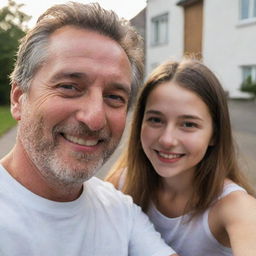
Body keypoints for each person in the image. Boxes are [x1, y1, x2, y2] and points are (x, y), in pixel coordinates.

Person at [0, 2, 178, 255]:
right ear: (18, 99)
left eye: (115, 97)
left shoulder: (120, 210)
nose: (94, 119)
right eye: (69, 87)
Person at [106, 58, 256, 255]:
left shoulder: (237, 207)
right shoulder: (123, 183)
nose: (167, 140)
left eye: (188, 124)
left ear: (215, 135)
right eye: (156, 120)